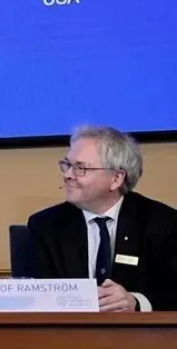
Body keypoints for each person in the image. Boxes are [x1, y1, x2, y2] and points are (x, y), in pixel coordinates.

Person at [27, 125, 177, 311]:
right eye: (67, 165)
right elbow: (35, 297)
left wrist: (136, 301)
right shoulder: (45, 226)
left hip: (141, 336)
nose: (67, 175)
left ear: (116, 178)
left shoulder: (163, 223)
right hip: (68, 335)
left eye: (80, 168)